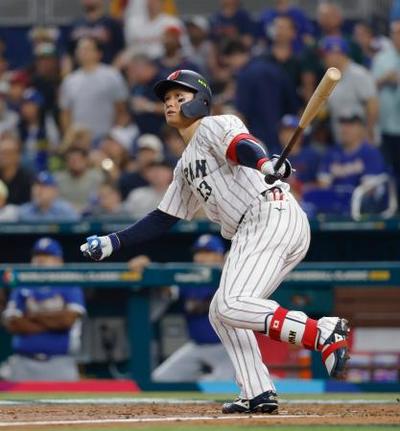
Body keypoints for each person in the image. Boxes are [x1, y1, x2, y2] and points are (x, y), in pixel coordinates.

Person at [80, 69, 350, 414]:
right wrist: (113, 242)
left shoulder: (214, 124)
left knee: (229, 304)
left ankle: (321, 332)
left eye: (180, 97)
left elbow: (240, 146)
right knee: (222, 312)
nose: (171, 103)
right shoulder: (184, 166)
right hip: (256, 226)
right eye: (167, 99)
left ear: (202, 101)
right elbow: (164, 218)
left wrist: (264, 163)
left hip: (268, 214)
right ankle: (257, 391)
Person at [129, 234, 234, 382]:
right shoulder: (189, 279)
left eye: (207, 252)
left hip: (227, 349)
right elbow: (168, 289)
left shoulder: (231, 277)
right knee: (160, 380)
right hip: (196, 346)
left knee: (222, 387)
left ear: (219, 255)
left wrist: (230, 264)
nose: (201, 257)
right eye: (198, 253)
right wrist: (148, 268)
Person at [1, 238, 86, 381]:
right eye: (37, 255)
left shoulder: (69, 284)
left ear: (59, 261)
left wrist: (32, 316)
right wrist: (53, 322)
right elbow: (14, 324)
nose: (40, 260)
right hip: (23, 364)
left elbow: (67, 321)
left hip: (61, 364)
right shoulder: (22, 284)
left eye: (47, 256)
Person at [303, 113, 388, 217]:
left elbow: (369, 189)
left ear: (361, 129)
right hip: (336, 199)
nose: (345, 129)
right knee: (310, 197)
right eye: (343, 125)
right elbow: (323, 184)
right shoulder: (332, 153)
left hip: (361, 202)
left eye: (351, 125)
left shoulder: (370, 153)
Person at [59, 37, 128, 142]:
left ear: (98, 53)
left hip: (106, 137)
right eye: (80, 49)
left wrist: (114, 137)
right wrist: (69, 138)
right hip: (79, 140)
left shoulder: (112, 75)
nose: (83, 52)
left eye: (87, 49)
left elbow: (121, 110)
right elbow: (65, 113)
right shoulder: (69, 81)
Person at [321, 36, 379, 145]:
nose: (324, 59)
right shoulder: (331, 78)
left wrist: (368, 131)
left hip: (362, 140)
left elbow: (372, 104)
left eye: (326, 55)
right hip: (341, 139)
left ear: (338, 54)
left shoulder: (359, 74)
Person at [371, 20, 400, 202]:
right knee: (390, 170)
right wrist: (385, 79)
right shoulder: (381, 58)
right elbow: (370, 88)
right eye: (396, 33)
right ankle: (392, 207)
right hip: (387, 125)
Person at [0, 135, 34, 205]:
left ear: (18, 155)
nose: (3, 156)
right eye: (1, 153)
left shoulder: (28, 179)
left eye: (8, 153)